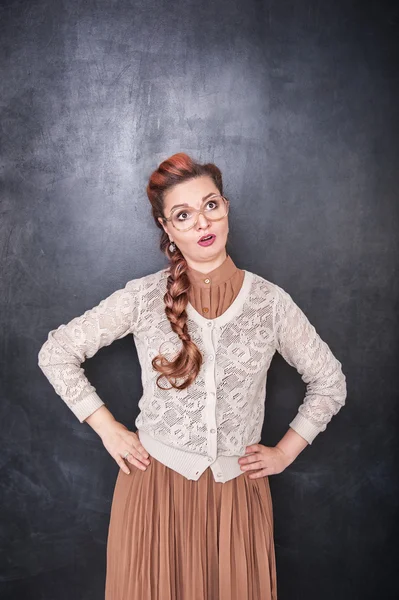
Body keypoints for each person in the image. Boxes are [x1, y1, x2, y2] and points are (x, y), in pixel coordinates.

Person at [38, 152, 347, 600]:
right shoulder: (143, 297)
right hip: (153, 495)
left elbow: (330, 381)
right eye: (183, 215)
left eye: (211, 205)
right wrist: (109, 431)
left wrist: (284, 452)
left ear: (225, 209)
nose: (203, 223)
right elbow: (57, 352)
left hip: (236, 499)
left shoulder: (270, 303)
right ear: (166, 228)